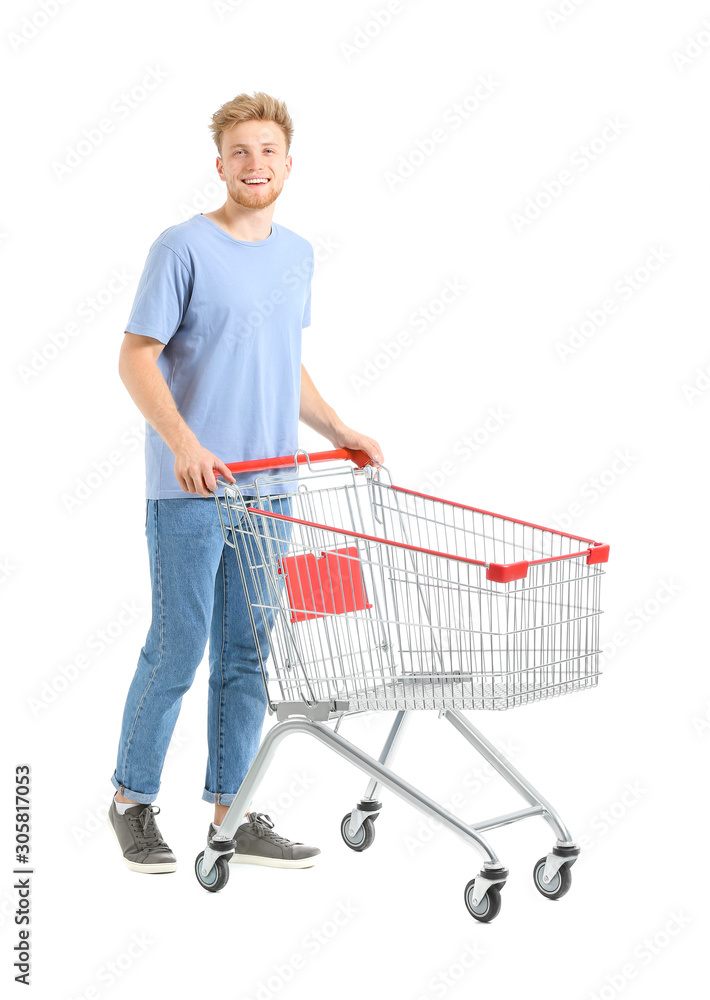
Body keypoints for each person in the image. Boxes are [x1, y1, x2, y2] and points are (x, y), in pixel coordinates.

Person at [107, 91, 383, 873]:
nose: (254, 165)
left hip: (274, 486)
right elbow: (135, 356)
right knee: (179, 645)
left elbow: (280, 364)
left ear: (288, 165)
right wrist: (183, 443)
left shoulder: (297, 255)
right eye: (240, 152)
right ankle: (131, 801)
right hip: (192, 489)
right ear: (220, 164)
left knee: (250, 653)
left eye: (268, 152)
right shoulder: (182, 246)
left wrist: (338, 430)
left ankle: (232, 812)